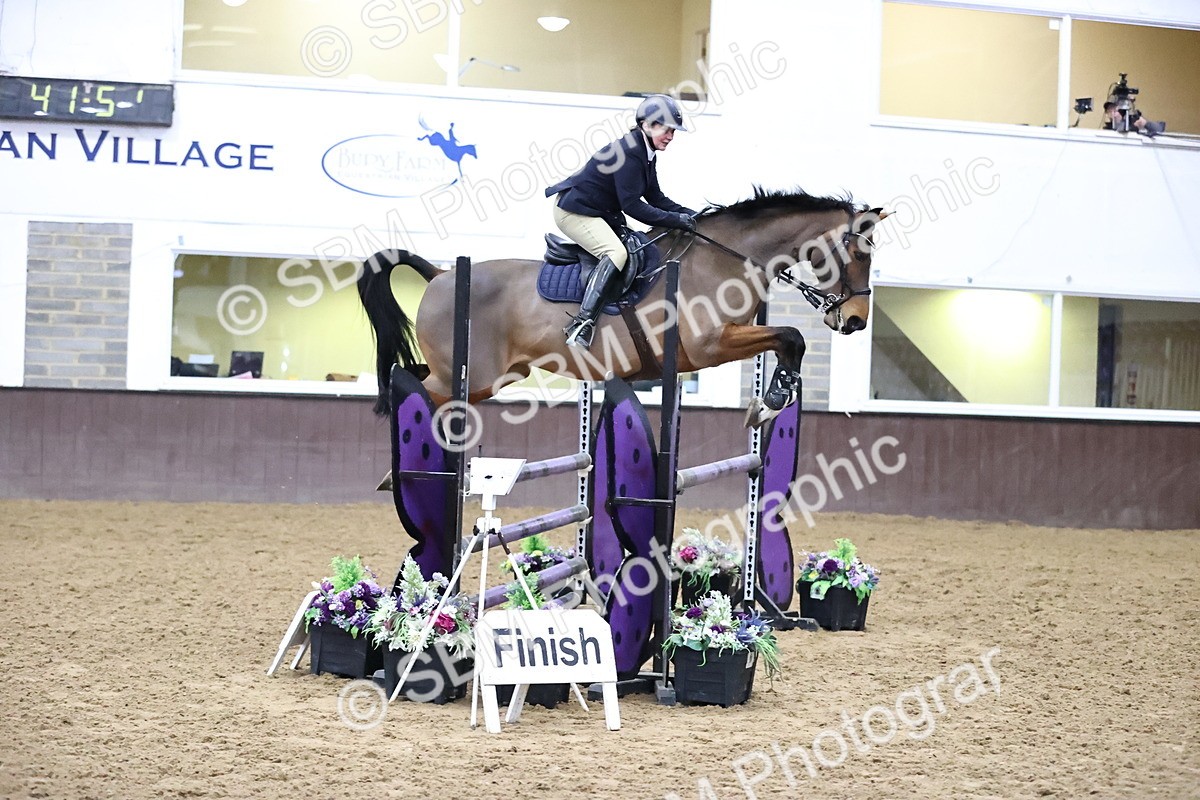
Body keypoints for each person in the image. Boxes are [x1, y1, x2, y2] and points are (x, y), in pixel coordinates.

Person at [545, 94, 698, 349]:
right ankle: (582, 323)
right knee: (616, 253)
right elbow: (633, 206)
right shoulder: (629, 152)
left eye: (673, 131)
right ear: (647, 125)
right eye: (667, 130)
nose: (671, 136)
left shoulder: (646, 153)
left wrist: (692, 215)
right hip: (575, 212)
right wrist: (676, 220)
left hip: (599, 212)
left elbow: (655, 197)